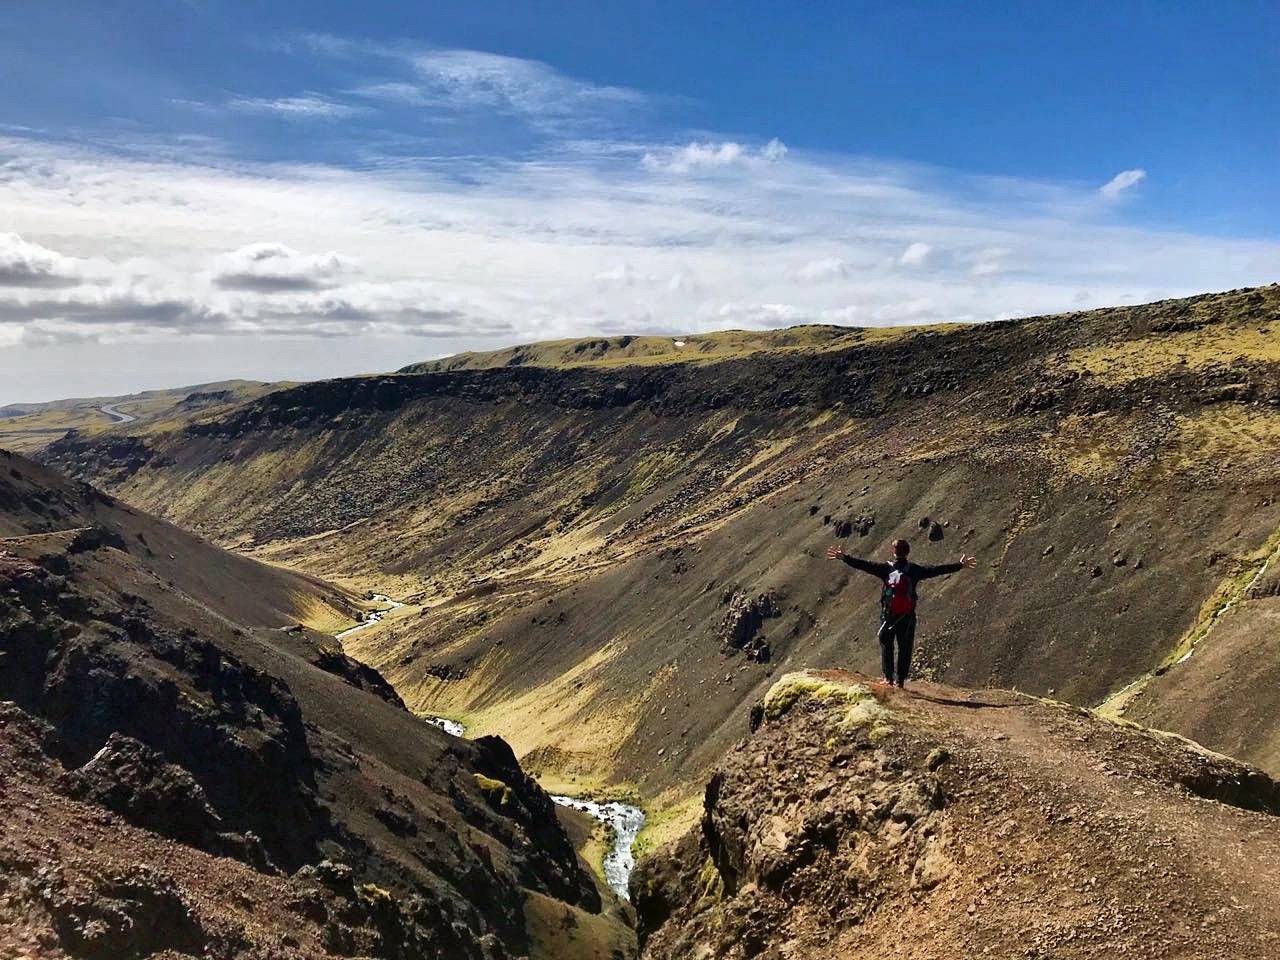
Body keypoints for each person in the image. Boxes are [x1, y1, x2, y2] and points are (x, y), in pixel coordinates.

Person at [826, 538, 976, 689]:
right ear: (908, 552)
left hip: (888, 615)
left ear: (894, 552)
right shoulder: (915, 570)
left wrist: (844, 557)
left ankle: (888, 679)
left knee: (887, 644)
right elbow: (936, 570)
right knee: (905, 647)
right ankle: (900, 681)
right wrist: (960, 565)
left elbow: (864, 565)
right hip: (907, 616)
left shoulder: (886, 569)